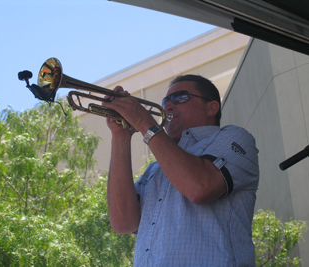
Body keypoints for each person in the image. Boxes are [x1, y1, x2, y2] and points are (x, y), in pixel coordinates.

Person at [103, 74, 259, 266]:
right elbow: (123, 223)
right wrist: (120, 135)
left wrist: (144, 123)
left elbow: (200, 188)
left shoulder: (234, 137)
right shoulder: (154, 170)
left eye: (180, 98)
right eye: (165, 100)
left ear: (211, 107)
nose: (168, 106)